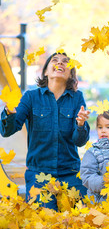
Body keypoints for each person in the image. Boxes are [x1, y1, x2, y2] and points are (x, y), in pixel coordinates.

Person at [0, 52, 90, 210]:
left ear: (70, 74)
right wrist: (9, 112)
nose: (60, 63)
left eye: (65, 62)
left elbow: (79, 141)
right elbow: (7, 131)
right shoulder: (30, 97)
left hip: (70, 172)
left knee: (79, 219)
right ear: (46, 72)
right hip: (39, 174)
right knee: (45, 219)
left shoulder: (77, 98)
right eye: (55, 60)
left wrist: (81, 124)